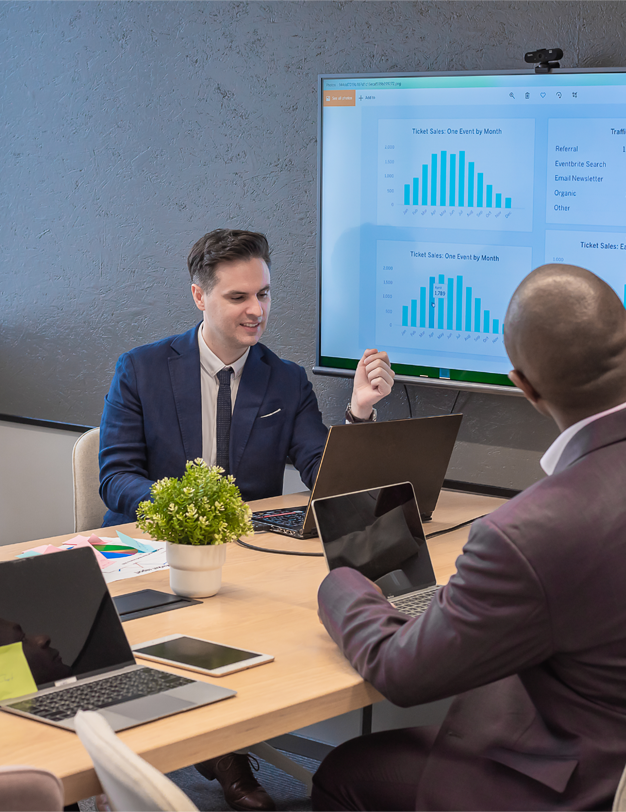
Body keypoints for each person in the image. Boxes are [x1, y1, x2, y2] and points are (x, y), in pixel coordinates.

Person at [310, 264, 626, 811]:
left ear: (524, 386)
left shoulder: (528, 532)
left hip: (588, 790)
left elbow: (400, 670)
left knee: (348, 769)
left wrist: (344, 582)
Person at [97, 229, 394, 811]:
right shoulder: (142, 369)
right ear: (199, 297)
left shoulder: (284, 379)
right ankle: (211, 755)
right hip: (156, 550)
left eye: (263, 294)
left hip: (244, 557)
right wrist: (188, 511)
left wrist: (358, 412)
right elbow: (115, 477)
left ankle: (226, 748)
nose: (256, 310)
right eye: (238, 297)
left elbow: (321, 474)